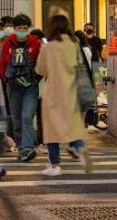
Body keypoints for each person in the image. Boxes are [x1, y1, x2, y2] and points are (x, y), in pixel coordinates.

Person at [35, 14, 92, 176]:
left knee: (52, 130)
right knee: (71, 126)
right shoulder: (74, 44)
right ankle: (80, 149)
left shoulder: (48, 47)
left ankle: (54, 165)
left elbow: (41, 69)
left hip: (53, 92)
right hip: (71, 91)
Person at [0, 13, 42, 162]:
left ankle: (27, 148)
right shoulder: (7, 43)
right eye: (19, 28)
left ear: (29, 28)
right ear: (14, 28)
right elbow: (2, 64)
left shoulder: (36, 43)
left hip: (30, 86)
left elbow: (41, 63)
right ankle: (21, 148)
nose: (22, 31)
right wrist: (7, 79)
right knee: (17, 120)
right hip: (13, 86)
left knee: (27, 117)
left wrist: (36, 79)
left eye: (24, 28)